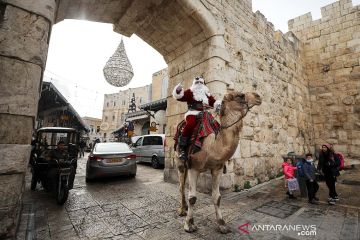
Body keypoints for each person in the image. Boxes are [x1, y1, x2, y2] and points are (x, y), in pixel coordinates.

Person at [172, 76, 221, 161]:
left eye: (201, 83)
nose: (199, 84)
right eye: (197, 83)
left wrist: (219, 105)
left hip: (205, 114)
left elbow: (214, 102)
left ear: (204, 84)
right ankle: (182, 149)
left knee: (216, 125)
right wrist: (178, 90)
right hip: (192, 113)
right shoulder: (190, 92)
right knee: (190, 124)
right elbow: (180, 97)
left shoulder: (206, 94)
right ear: (194, 84)